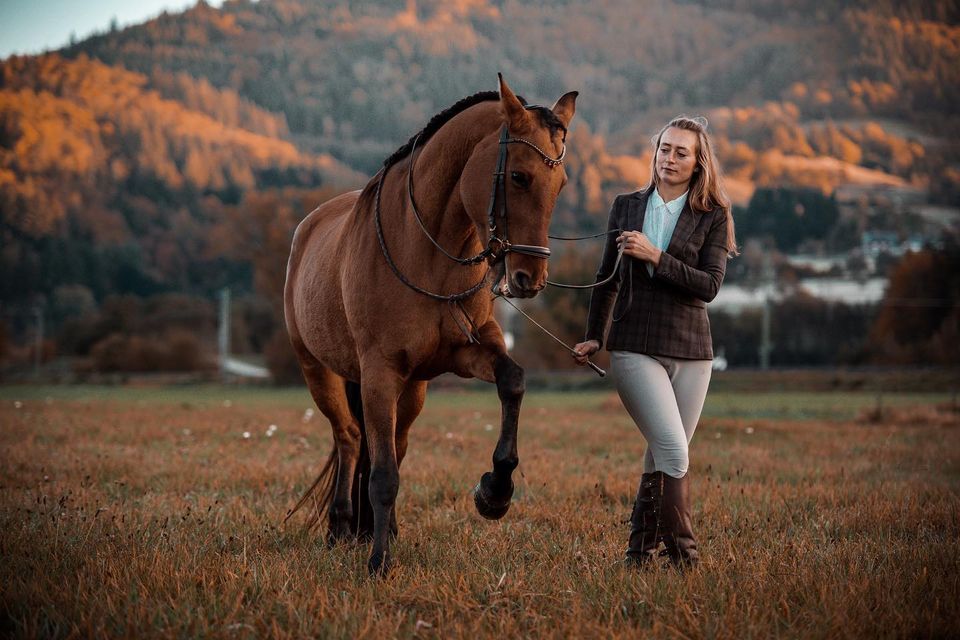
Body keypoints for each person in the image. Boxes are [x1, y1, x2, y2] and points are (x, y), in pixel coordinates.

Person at [572, 116, 737, 568]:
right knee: (673, 449)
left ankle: (638, 554)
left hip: (693, 351)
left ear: (698, 162)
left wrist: (656, 257)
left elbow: (709, 285)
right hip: (633, 345)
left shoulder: (714, 215)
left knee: (659, 456)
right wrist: (593, 336)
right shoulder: (626, 206)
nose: (670, 158)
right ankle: (685, 560)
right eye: (665, 148)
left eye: (681, 152)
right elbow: (605, 279)